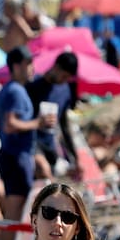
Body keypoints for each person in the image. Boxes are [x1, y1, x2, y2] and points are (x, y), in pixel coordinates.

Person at [0, 46, 55, 223]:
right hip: (15, 155)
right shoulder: (16, 91)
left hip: (14, 155)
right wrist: (39, 123)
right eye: (27, 64)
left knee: (18, 212)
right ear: (16, 66)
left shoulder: (13, 89)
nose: (32, 68)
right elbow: (10, 124)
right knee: (16, 214)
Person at [26, 51, 78, 179]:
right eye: (64, 76)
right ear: (56, 67)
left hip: (49, 145)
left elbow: (65, 125)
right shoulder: (33, 86)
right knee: (45, 173)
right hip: (31, 143)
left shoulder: (65, 90)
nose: (64, 80)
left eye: (68, 78)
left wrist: (75, 157)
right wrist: (38, 122)